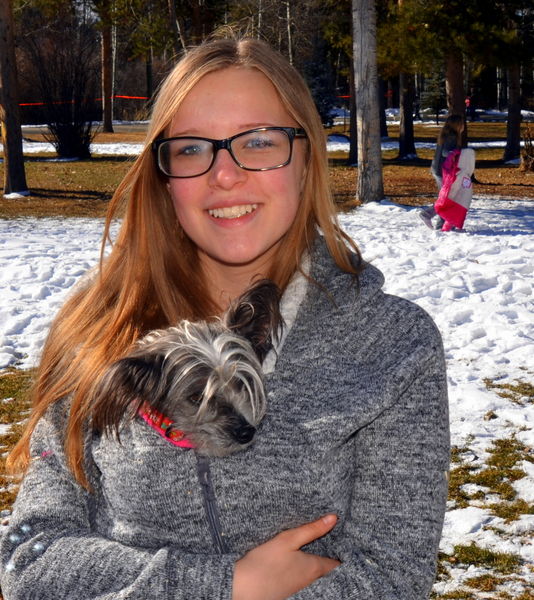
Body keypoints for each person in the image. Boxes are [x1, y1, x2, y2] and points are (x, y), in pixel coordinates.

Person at [0, 37, 450, 600]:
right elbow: (31, 560)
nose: (226, 175)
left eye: (259, 141)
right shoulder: (97, 329)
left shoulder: (394, 345)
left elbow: (392, 579)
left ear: (308, 156)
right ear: (163, 175)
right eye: (192, 148)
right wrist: (226, 585)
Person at [418, 114, 464, 230]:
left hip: (439, 169)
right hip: (442, 171)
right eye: (461, 123)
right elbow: (445, 152)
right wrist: (456, 153)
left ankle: (440, 223)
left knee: (446, 198)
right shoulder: (451, 136)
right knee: (446, 199)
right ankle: (434, 219)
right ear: (457, 125)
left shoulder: (446, 134)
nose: (463, 126)